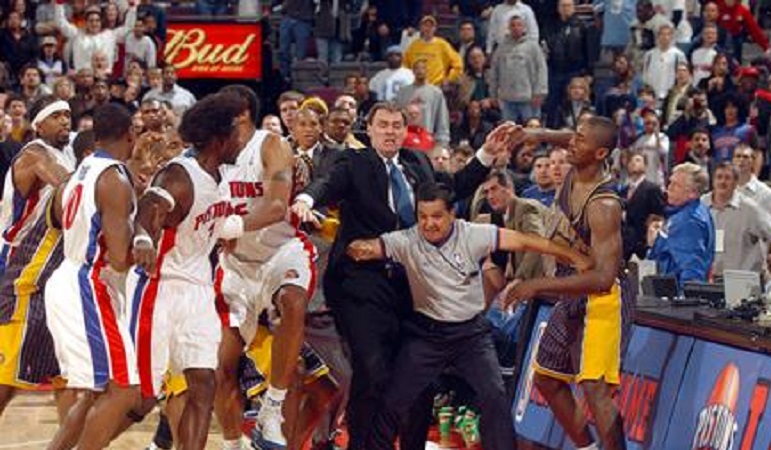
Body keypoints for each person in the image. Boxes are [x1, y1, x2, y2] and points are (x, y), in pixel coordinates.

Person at [290, 102, 516, 450]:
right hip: (361, 284)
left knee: (420, 380)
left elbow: (452, 187)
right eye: (383, 125)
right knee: (373, 369)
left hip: (411, 285)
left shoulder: (417, 162)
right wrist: (306, 199)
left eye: (397, 125)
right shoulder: (355, 161)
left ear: (405, 131)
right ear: (369, 129)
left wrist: (485, 153)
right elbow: (328, 182)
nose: (391, 131)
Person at [348, 182, 587, 449]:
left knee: (495, 396)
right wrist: (355, 246)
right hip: (426, 335)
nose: (429, 224)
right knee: (394, 402)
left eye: (437, 216)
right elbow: (369, 247)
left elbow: (525, 240)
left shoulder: (473, 234)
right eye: (422, 216)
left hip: (471, 336)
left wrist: (573, 256)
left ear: (452, 214)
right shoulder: (406, 240)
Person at [125, 93, 244, 449]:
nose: (241, 139)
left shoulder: (221, 177)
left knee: (204, 384)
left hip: (198, 291)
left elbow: (215, 225)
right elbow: (150, 206)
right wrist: (143, 238)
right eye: (236, 133)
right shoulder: (180, 173)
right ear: (220, 140)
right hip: (160, 287)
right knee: (140, 398)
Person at [503, 116, 628, 450]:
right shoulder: (577, 168)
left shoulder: (603, 205)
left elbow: (603, 278)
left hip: (602, 298)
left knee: (595, 389)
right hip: (572, 286)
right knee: (546, 378)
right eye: (575, 136)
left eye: (581, 140)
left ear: (600, 154)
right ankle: (587, 447)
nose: (572, 143)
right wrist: (533, 134)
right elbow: (569, 138)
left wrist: (536, 285)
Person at [211, 85, 318, 449]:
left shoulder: (271, 145)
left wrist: (232, 225)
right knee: (221, 366)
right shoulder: (214, 150)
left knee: (293, 302)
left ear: (242, 113)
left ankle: (272, 408)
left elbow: (275, 206)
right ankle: (232, 444)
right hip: (236, 265)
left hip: (280, 251)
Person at [44, 103, 140, 450]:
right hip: (88, 285)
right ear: (130, 134)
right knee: (125, 388)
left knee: (92, 395)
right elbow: (119, 260)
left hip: (69, 277)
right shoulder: (114, 178)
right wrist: (148, 242)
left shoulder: (80, 171)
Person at [0, 96, 75, 420]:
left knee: (65, 371)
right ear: (38, 125)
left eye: (67, 115)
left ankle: (71, 441)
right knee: (6, 374)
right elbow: (70, 187)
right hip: (23, 267)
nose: (65, 121)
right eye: (56, 116)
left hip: (54, 273)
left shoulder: (66, 154)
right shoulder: (35, 154)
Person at [703, 162, 771, 276]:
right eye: (719, 177)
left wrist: (770, 264)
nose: (722, 182)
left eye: (727, 178)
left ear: (736, 183)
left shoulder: (750, 208)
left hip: (741, 279)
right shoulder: (702, 205)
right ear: (713, 181)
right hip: (708, 278)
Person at [647, 162, 715, 286]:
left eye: (676, 185)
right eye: (670, 182)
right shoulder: (696, 210)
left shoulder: (688, 220)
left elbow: (692, 270)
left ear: (692, 193)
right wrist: (657, 241)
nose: (669, 188)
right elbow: (676, 250)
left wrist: (686, 297)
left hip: (679, 293)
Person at [490, 15, 548, 123]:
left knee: (531, 129)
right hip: (507, 99)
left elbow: (542, 70)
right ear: (508, 28)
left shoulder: (533, 47)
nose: (516, 28)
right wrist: (493, 94)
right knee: (508, 130)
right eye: (513, 25)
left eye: (519, 25)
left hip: (529, 99)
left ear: (524, 27)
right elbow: (494, 72)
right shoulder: (501, 47)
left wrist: (540, 93)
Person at [54, 1, 138, 71]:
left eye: (97, 20)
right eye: (91, 21)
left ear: (101, 22)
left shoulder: (109, 35)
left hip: (105, 79)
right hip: (83, 78)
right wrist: (59, 4)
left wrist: (132, 7)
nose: (94, 24)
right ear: (86, 22)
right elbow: (61, 24)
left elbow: (128, 27)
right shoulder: (77, 34)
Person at [620, 151, 665, 261]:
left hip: (642, 245)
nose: (633, 163)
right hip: (624, 246)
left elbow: (659, 215)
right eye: (631, 161)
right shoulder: (623, 191)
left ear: (645, 165)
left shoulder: (652, 189)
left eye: (638, 160)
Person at [396, 60, 450, 145]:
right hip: (407, 140)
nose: (420, 71)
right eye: (417, 68)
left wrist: (442, 141)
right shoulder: (403, 92)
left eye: (423, 68)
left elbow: (442, 118)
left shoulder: (435, 92)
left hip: (428, 138)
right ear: (413, 71)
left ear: (427, 71)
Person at [402, 16, 463, 86]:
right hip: (416, 86)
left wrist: (449, 79)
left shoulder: (443, 45)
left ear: (435, 29)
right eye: (425, 25)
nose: (428, 28)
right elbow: (405, 65)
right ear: (421, 28)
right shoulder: (414, 45)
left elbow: (458, 64)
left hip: (436, 86)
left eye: (431, 26)